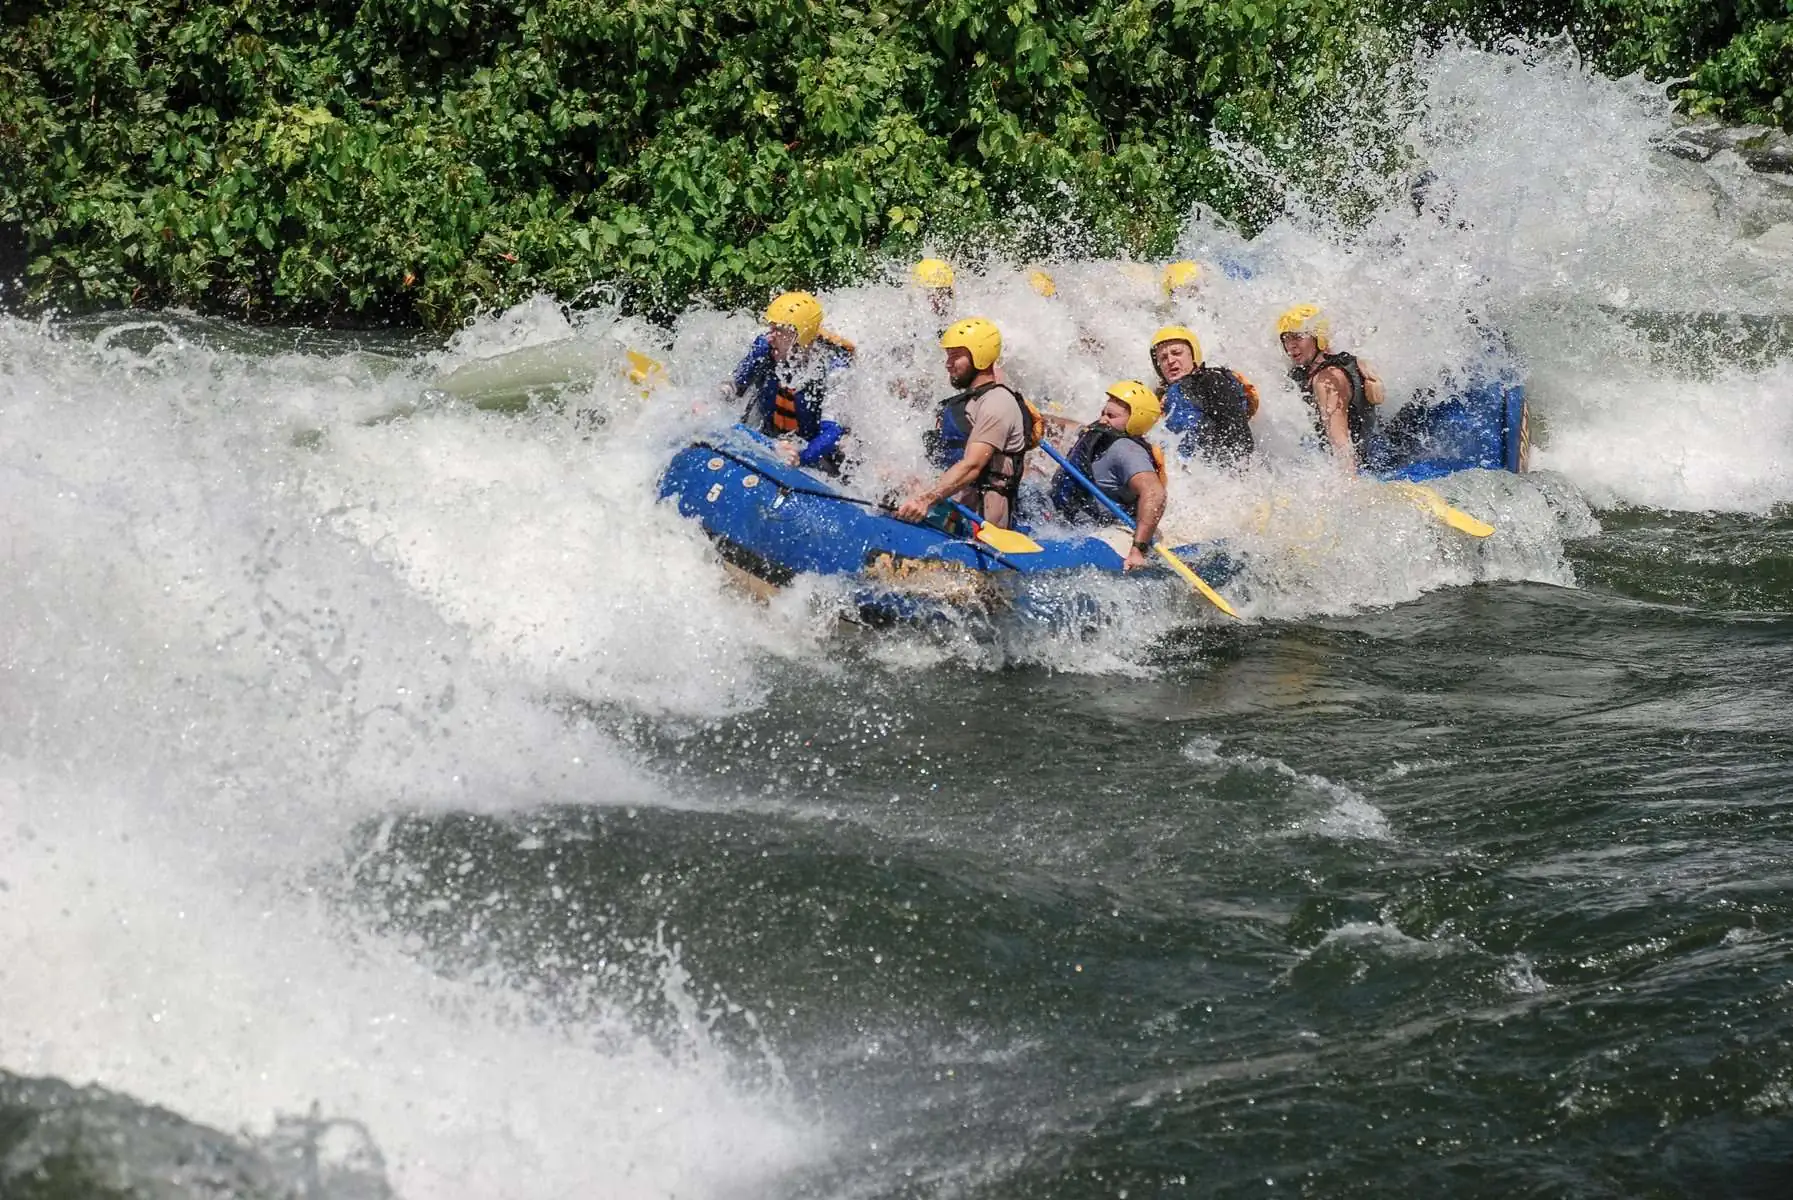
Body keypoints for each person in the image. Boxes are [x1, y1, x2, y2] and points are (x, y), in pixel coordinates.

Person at [896, 317, 1037, 529]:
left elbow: (972, 466)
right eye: (948, 356)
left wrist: (924, 500)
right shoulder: (972, 401)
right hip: (956, 513)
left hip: (983, 525)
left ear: (979, 356)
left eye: (956, 356)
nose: (948, 364)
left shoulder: (997, 402)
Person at [1047, 380, 1168, 571]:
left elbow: (1155, 494)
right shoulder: (1100, 436)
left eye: (1111, 416)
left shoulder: (1127, 450)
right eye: (1103, 413)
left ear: (1135, 420)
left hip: (1116, 530)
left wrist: (1138, 550)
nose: (1103, 419)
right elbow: (1069, 426)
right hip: (1076, 521)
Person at [730, 291, 855, 472]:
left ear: (800, 337)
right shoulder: (764, 348)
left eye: (778, 330)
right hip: (768, 437)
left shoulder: (833, 369)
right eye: (770, 328)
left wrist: (800, 457)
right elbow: (734, 386)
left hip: (809, 449)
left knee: (845, 446)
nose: (770, 336)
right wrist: (716, 398)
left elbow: (832, 431)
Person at [1276, 303, 1383, 467]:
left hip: (1367, 464)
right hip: (1378, 446)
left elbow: (1341, 446)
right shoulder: (1338, 361)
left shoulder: (1326, 382)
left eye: (1297, 337)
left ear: (1318, 339)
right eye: (1286, 338)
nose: (1291, 345)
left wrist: (1349, 486)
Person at [1150, 325, 1256, 465]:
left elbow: (1240, 436)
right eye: (1163, 358)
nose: (1170, 361)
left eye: (1176, 353)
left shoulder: (1211, 381)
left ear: (1193, 355)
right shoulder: (1158, 400)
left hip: (1215, 470)